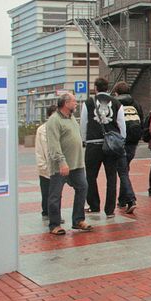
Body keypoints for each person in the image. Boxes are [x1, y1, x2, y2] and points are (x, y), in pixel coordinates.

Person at [46, 92, 92, 235]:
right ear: (66, 104)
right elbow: (53, 144)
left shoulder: (71, 118)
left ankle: (78, 220)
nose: (76, 104)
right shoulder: (54, 120)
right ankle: (54, 225)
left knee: (83, 187)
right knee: (55, 195)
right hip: (61, 166)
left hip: (76, 164)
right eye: (74, 101)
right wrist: (61, 162)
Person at [80, 77, 126, 219]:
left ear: (95, 88)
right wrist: (121, 140)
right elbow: (121, 125)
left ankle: (94, 205)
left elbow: (84, 123)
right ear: (108, 88)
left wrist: (84, 139)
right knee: (111, 177)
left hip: (93, 144)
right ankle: (110, 209)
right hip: (111, 145)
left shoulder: (88, 103)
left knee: (91, 176)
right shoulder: (117, 103)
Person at [112, 81, 139, 213]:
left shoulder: (115, 104)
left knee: (122, 172)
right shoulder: (136, 103)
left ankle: (129, 199)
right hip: (133, 142)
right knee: (124, 170)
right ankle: (123, 199)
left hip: (119, 141)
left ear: (116, 92)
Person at [35, 104, 59, 222]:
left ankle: (54, 214)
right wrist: (43, 166)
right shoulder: (41, 130)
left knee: (55, 193)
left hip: (57, 167)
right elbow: (39, 150)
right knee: (46, 192)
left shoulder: (60, 128)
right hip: (45, 167)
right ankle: (46, 212)